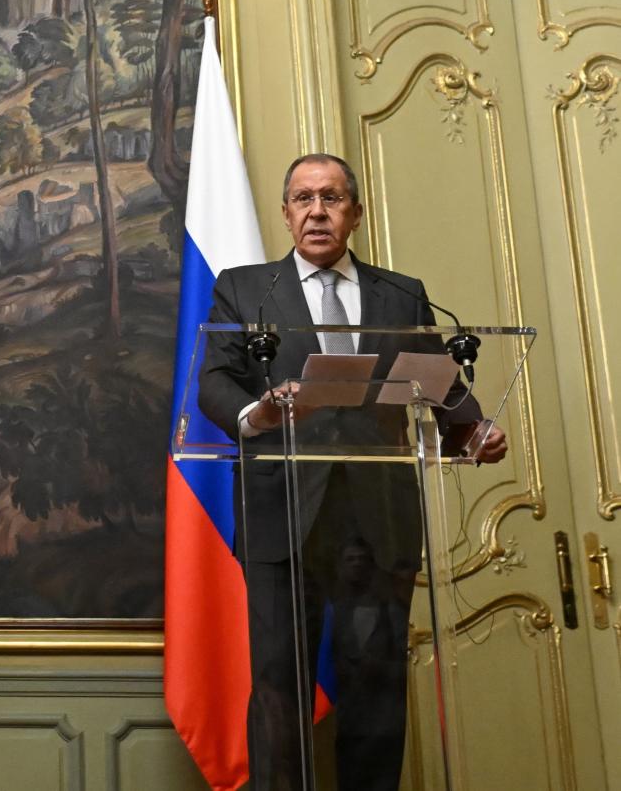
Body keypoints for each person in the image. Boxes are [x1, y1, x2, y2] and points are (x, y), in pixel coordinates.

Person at [197, 154, 508, 790]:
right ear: (286, 213)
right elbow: (213, 381)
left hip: (377, 518)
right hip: (282, 513)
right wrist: (261, 413)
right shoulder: (244, 287)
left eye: (332, 198)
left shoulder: (401, 293)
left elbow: (438, 382)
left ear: (355, 213)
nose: (317, 211)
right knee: (279, 685)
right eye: (303, 199)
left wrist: (472, 429)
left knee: (377, 681)